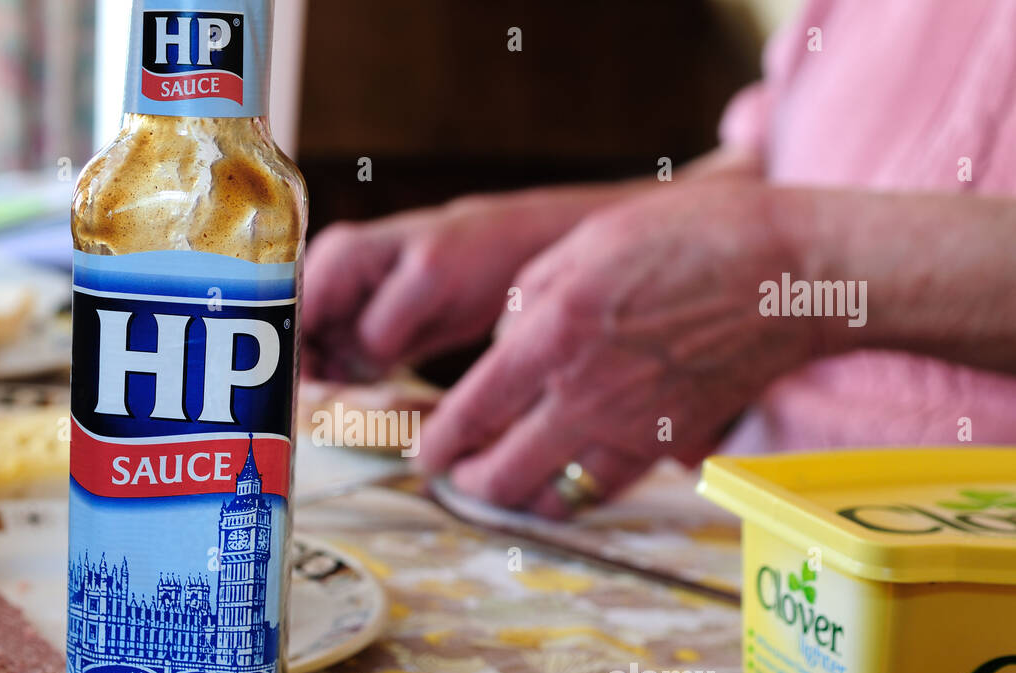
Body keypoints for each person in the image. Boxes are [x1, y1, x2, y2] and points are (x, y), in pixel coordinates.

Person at [302, 0, 1016, 518]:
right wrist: (535, 235)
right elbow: (785, 168)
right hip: (766, 547)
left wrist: (793, 266)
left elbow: (793, 236)